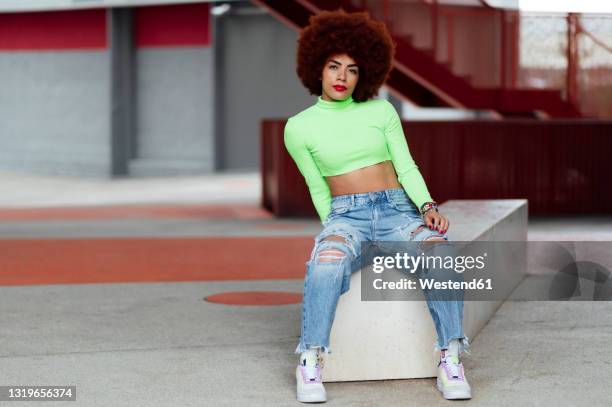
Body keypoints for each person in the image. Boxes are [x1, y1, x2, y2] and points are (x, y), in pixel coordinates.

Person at [284, 9, 471, 403]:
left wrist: (426, 206)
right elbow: (318, 188)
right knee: (327, 262)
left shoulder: (381, 111)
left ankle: (450, 357)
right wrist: (332, 228)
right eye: (334, 66)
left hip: (397, 213)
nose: (342, 77)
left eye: (352, 69)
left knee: (441, 253)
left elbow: (405, 165)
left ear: (364, 73)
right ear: (316, 68)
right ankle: (311, 358)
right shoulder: (298, 127)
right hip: (345, 215)